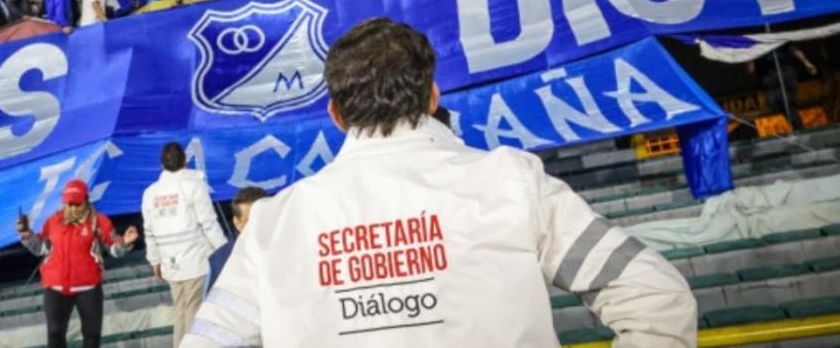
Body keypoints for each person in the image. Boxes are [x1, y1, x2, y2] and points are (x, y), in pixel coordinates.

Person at [181, 18, 697, 348]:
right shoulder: (511, 182)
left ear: (335, 115)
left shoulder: (274, 223)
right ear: (432, 97)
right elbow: (656, 297)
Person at [18, 179, 138, 348]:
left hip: (88, 287)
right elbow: (41, 249)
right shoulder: (53, 221)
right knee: (55, 334)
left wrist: (124, 242)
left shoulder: (98, 221)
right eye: (69, 204)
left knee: (92, 336)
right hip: (56, 287)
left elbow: (113, 249)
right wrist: (26, 235)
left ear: (86, 201)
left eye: (77, 204)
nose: (73, 208)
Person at [142, 142, 227, 348]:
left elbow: (149, 232)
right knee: (194, 311)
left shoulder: (150, 193)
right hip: (194, 259)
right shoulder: (194, 186)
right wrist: (225, 251)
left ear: (162, 165)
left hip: (169, 263)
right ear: (185, 162)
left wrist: (155, 260)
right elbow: (208, 223)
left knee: (180, 310)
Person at [205, 186, 267, 296]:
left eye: (262, 218)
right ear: (237, 223)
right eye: (249, 220)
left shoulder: (289, 247)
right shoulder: (223, 257)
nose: (257, 225)